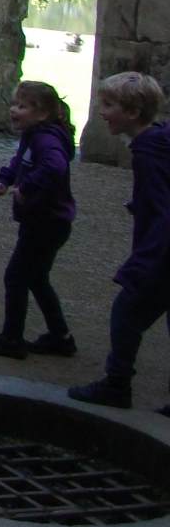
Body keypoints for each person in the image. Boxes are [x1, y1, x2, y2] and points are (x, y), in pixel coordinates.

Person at [68, 71, 170, 415]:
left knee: (126, 312)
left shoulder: (148, 151)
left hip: (163, 256)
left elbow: (164, 214)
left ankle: (116, 385)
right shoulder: (158, 141)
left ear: (133, 112)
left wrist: (142, 263)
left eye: (109, 105)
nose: (102, 112)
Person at [0, 80, 77, 359]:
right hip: (46, 221)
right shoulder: (34, 135)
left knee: (16, 277)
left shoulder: (46, 139)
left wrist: (26, 188)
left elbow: (55, 167)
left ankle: (12, 339)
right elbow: (21, 161)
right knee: (36, 278)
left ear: (42, 113)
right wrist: (6, 178)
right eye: (14, 104)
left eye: (22, 106)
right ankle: (61, 337)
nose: (14, 110)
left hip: (46, 223)